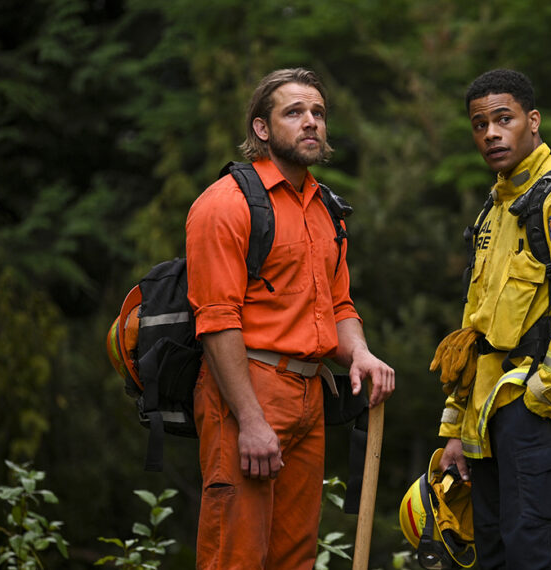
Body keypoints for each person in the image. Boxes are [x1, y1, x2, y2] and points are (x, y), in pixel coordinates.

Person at [185, 67, 395, 569]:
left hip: (309, 398)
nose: (310, 123)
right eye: (294, 112)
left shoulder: (327, 210)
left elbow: (339, 307)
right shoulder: (225, 205)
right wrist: (251, 421)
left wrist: (361, 354)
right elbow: (217, 321)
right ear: (262, 128)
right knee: (235, 554)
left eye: (318, 113)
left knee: (294, 558)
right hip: (245, 392)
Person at [430, 69, 551, 569]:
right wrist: (456, 428)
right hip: (487, 418)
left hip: (539, 411)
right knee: (491, 555)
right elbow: (473, 334)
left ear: (532, 121)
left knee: (535, 552)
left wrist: (547, 396)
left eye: (503, 119)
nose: (490, 133)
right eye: (479, 124)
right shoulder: (496, 208)